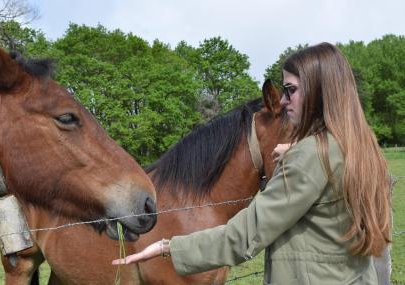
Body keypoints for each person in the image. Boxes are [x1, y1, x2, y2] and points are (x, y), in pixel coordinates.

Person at [113, 43, 391, 284]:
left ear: (318, 91)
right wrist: (295, 152)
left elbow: (244, 237)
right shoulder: (362, 152)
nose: (283, 100)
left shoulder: (309, 158)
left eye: (291, 90)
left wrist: (167, 246)